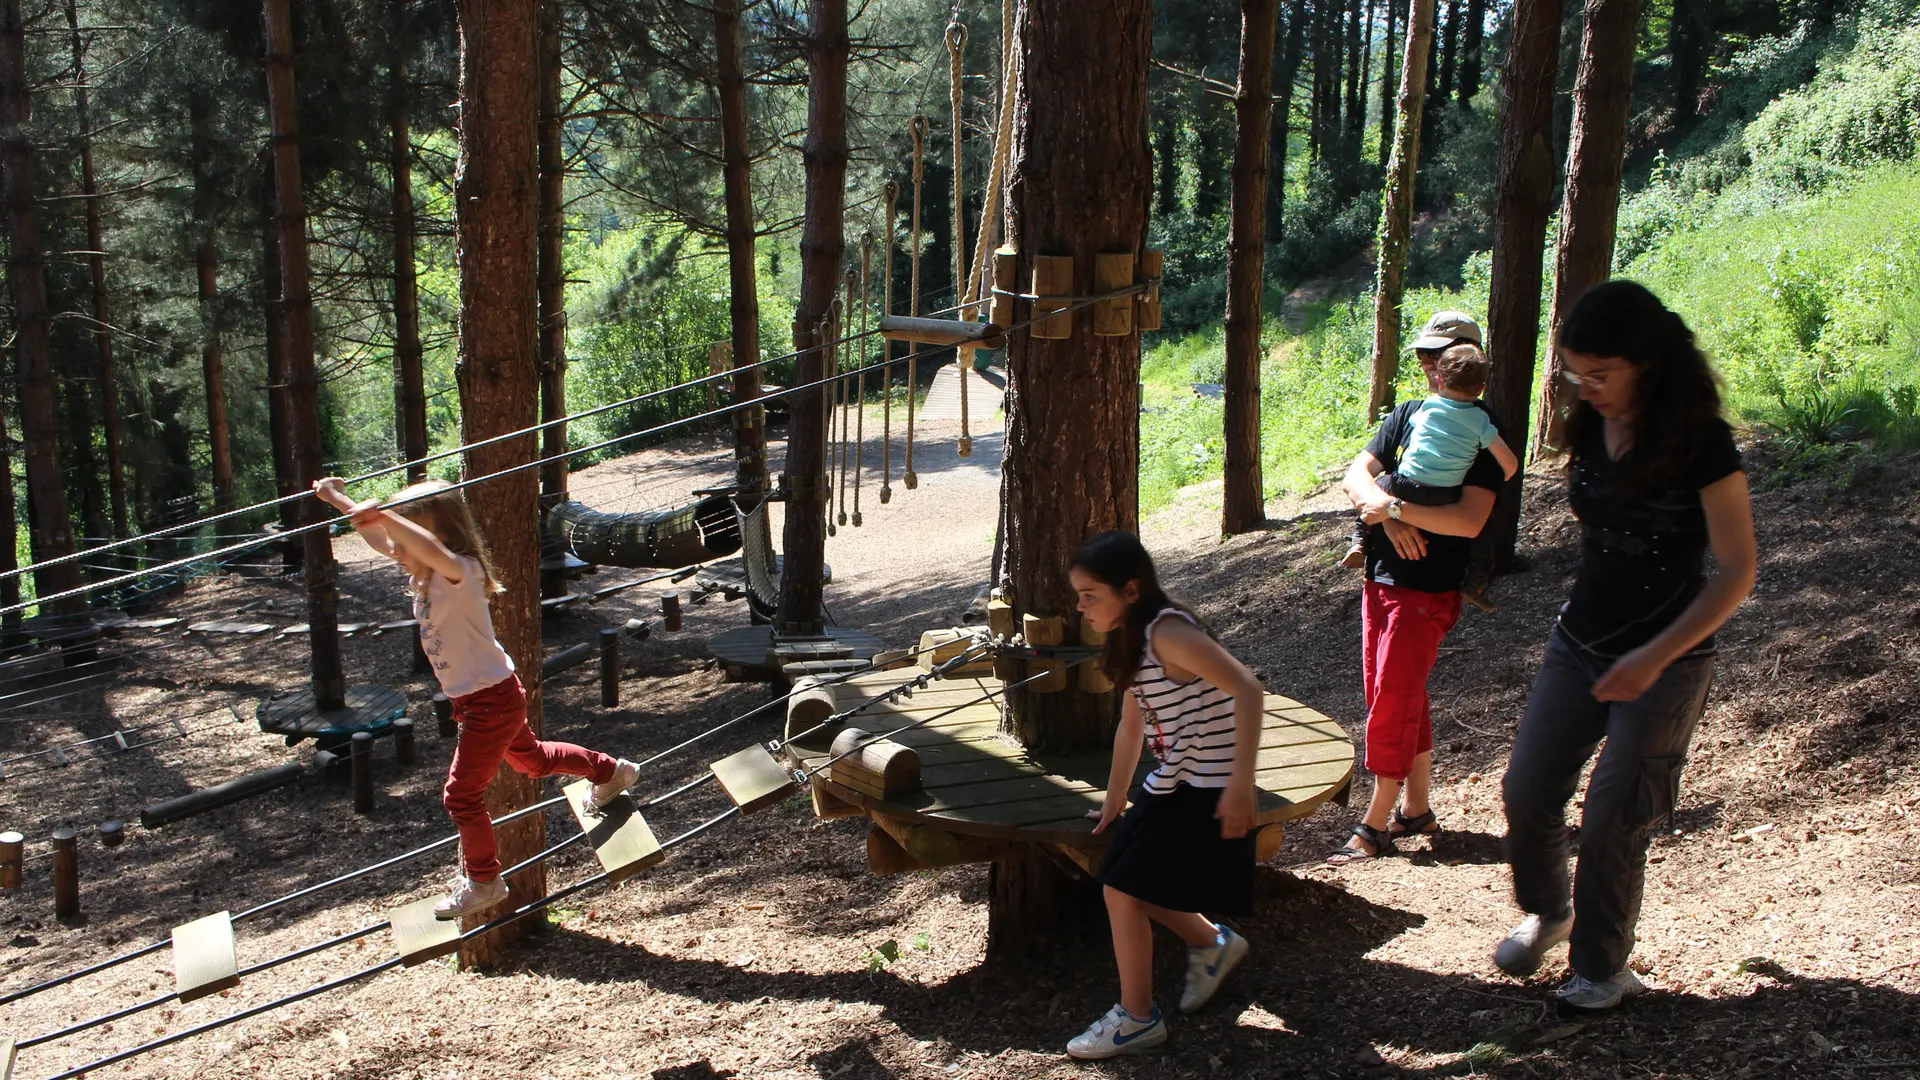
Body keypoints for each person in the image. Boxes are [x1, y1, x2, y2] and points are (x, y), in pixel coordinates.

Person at [1493, 281, 1755, 1015]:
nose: (1589, 389)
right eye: (1578, 375)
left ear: (1647, 362)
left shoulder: (1702, 442)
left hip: (1668, 654)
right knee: (1528, 788)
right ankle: (1550, 912)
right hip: (1580, 639)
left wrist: (1652, 658)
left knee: (1614, 813)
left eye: (1602, 374)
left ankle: (1602, 969)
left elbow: (1738, 571)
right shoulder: (1589, 422)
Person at [313, 477, 642, 920]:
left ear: (438, 534)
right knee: (535, 761)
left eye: (405, 536)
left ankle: (485, 881)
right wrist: (340, 500)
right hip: (488, 696)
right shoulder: (427, 570)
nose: (396, 549)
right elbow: (383, 539)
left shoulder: (460, 572)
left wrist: (384, 513)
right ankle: (611, 771)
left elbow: (420, 543)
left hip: (490, 700)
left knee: (461, 797)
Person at [1064, 530, 1265, 1060]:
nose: (1080, 607)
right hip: (1176, 781)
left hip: (1212, 785)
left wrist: (1243, 784)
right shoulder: (1131, 638)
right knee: (1123, 876)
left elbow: (1249, 688)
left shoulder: (1167, 632)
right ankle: (1210, 943)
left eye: (1090, 595)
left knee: (1120, 887)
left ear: (1130, 590)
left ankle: (1136, 1018)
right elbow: (1132, 727)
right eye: (1078, 596)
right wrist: (1114, 799)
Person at [1329, 343, 1503, 864]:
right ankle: (1417, 808)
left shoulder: (1477, 434)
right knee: (1398, 694)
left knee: (1392, 701)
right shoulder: (1409, 414)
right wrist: (1393, 517)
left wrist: (1395, 506)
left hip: (1426, 591)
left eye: (1439, 357)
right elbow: (1356, 476)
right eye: (1424, 357)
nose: (1429, 365)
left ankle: (1376, 822)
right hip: (1380, 581)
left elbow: (1469, 521)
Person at [1341, 342, 1519, 568]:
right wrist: (1503, 476)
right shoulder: (1482, 422)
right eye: (1421, 354)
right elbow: (1510, 464)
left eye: (1434, 354)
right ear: (1481, 388)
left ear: (1441, 379)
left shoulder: (1425, 409)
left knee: (1380, 482)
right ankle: (1478, 572)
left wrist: (1390, 510)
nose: (1425, 362)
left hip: (1405, 485)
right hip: (1443, 495)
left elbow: (1469, 522)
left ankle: (1359, 538)